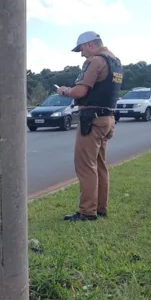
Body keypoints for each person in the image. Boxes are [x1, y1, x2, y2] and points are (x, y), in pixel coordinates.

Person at [56, 31, 124, 222]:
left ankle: (87, 211)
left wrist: (64, 91)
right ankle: (100, 207)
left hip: (92, 120)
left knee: (86, 166)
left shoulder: (95, 61)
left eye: (81, 49)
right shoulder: (115, 62)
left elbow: (80, 91)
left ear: (90, 45)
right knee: (100, 165)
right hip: (108, 118)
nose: (81, 54)